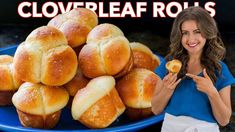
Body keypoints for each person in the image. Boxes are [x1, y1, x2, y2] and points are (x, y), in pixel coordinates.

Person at [151, 6, 235, 132]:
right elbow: (155, 109)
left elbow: (224, 120)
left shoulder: (220, 69)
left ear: (207, 32)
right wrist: (167, 89)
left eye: (197, 32)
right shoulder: (168, 65)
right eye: (185, 33)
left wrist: (212, 92)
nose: (191, 39)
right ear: (179, 35)